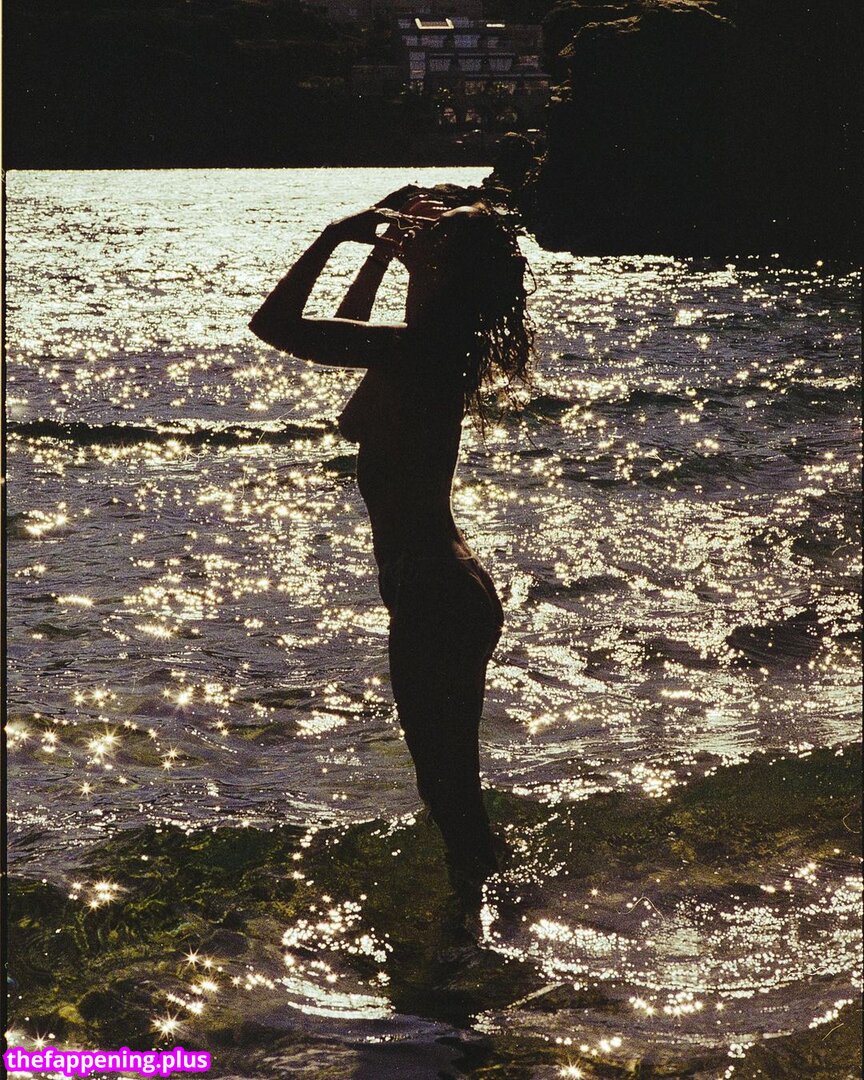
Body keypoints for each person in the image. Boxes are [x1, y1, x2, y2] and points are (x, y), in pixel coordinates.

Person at [249, 194, 533, 900]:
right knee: (451, 790)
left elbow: (274, 326)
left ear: (446, 269)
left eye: (434, 235)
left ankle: (481, 930)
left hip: (435, 587)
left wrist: (331, 236)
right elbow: (352, 347)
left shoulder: (419, 350)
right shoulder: (427, 345)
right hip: (442, 582)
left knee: (448, 792)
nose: (418, 230)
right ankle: (489, 911)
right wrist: (378, 256)